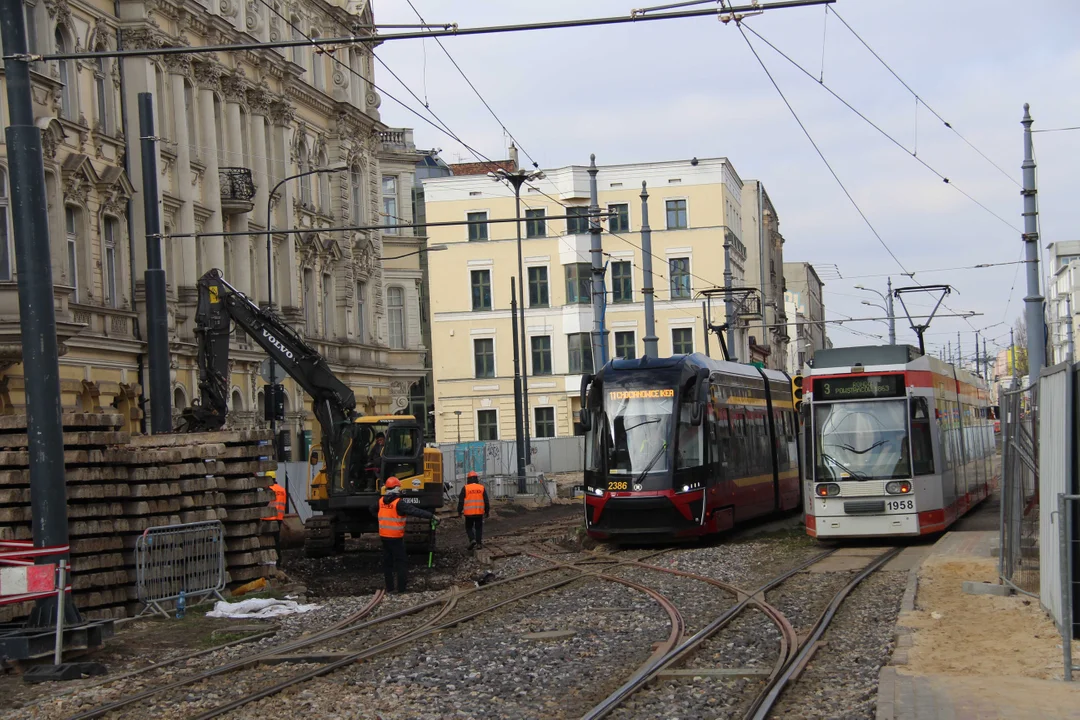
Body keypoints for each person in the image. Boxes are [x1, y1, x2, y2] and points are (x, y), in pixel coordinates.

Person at [377, 476, 436, 594]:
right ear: (396, 488)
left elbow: (372, 509)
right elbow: (415, 511)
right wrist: (431, 516)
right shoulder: (398, 503)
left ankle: (390, 588)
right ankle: (401, 589)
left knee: (388, 563)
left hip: (384, 537)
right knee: (401, 563)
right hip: (396, 538)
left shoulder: (381, 501)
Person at [457, 471, 490, 550]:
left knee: (468, 527)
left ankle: (472, 539)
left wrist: (459, 511)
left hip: (468, 514)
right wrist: (487, 511)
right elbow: (486, 501)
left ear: (468, 479)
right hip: (479, 512)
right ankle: (479, 544)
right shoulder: (481, 487)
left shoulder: (465, 488)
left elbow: (461, 501)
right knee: (478, 528)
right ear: (476, 479)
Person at [268, 471, 286, 563]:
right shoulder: (282, 490)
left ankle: (270, 561)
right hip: (279, 518)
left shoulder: (268, 489)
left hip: (268, 518)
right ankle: (278, 560)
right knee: (276, 540)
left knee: (267, 541)